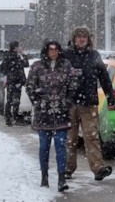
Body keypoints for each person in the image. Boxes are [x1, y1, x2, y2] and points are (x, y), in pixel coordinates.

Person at [63, 26, 114, 181]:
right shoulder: (66, 55)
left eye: (84, 36)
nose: (81, 39)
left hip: (89, 104)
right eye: (78, 36)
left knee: (91, 137)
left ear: (89, 39)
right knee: (70, 139)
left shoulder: (94, 56)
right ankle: (67, 168)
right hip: (69, 103)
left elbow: (104, 77)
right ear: (74, 38)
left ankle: (98, 168)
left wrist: (110, 96)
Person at [26, 40, 75, 192]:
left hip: (61, 113)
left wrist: (67, 101)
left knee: (61, 145)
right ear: (46, 51)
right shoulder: (37, 67)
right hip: (43, 114)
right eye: (50, 49)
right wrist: (38, 101)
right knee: (44, 147)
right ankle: (44, 177)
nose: (53, 52)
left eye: (56, 49)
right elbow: (30, 87)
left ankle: (61, 178)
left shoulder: (66, 65)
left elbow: (73, 84)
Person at [2, 41, 29, 126]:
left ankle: (10, 117)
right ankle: (13, 117)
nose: (19, 48)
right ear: (15, 47)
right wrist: (24, 55)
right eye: (18, 47)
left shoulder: (9, 56)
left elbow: (3, 68)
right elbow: (25, 64)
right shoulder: (14, 57)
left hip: (13, 81)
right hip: (16, 81)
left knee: (11, 100)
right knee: (14, 100)